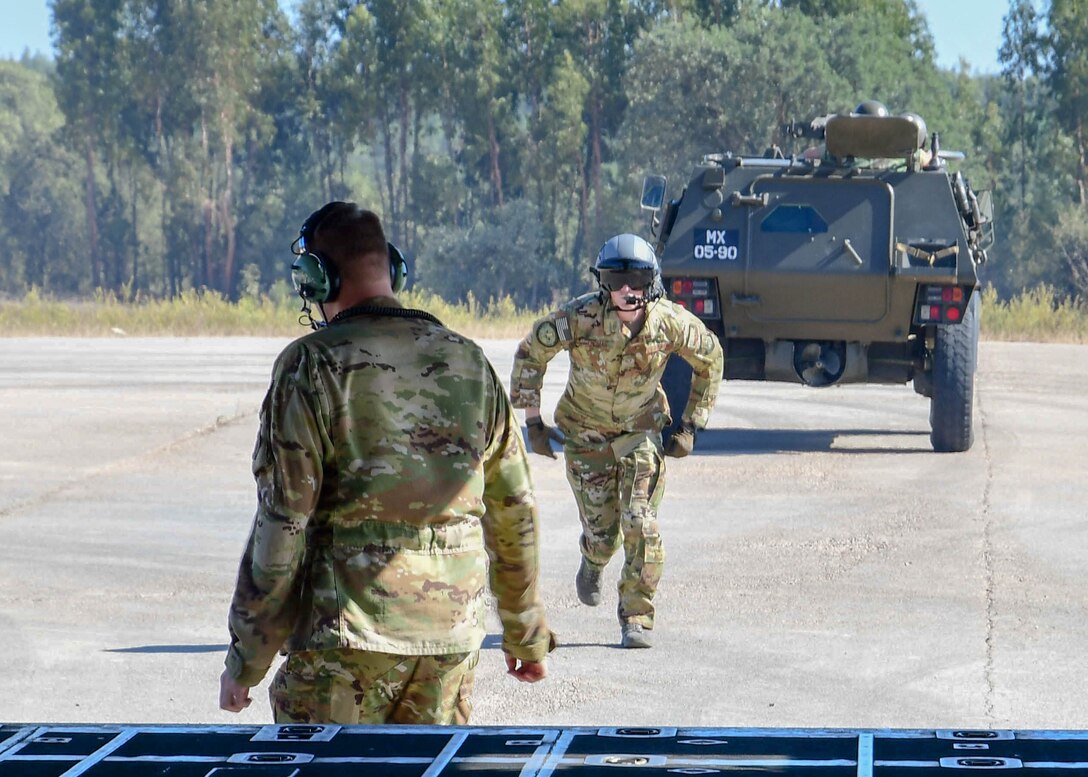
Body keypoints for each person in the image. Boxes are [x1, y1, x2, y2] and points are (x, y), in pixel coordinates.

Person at [218, 201, 555, 724]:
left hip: (345, 639)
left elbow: (283, 521)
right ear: (393, 269)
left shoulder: (312, 364)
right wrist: (524, 630)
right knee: (429, 762)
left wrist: (248, 656)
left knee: (327, 764)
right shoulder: (469, 362)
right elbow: (514, 510)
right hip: (449, 640)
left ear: (318, 278)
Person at [509, 233, 723, 649]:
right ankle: (593, 559)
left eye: (637, 280)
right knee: (604, 534)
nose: (627, 290)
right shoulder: (581, 317)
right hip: (585, 435)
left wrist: (691, 424)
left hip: (639, 432)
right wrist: (533, 422)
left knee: (640, 522)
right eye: (615, 280)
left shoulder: (670, 323)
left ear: (652, 281)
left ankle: (636, 617)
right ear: (602, 284)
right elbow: (532, 350)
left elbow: (710, 357)